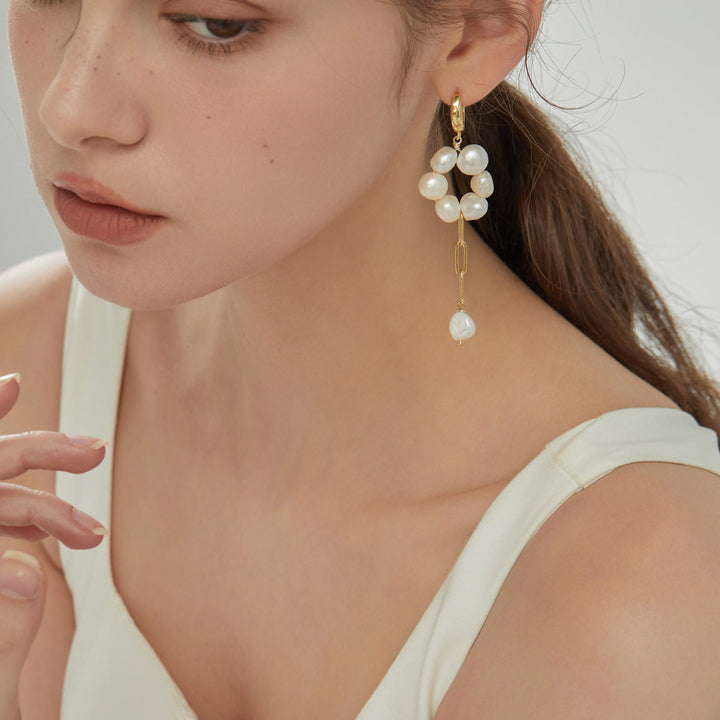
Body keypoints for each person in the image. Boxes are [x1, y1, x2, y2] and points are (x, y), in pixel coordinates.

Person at [1, 0, 719, 718]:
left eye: (216, 23)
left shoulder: (641, 593)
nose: (70, 108)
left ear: (473, 33)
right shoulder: (26, 382)